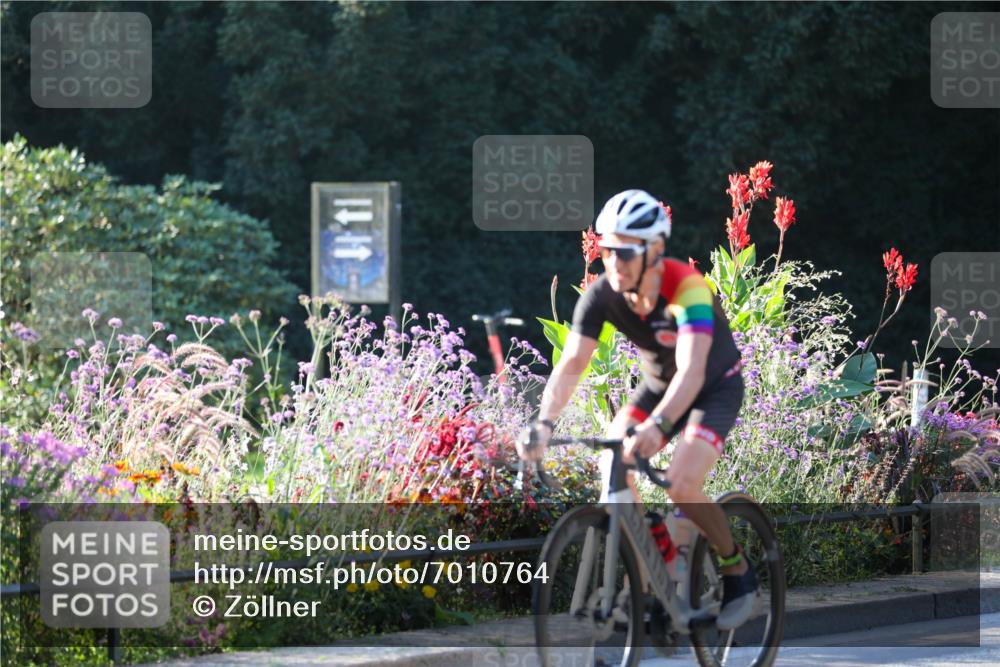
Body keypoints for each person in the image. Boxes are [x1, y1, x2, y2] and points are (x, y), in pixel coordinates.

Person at [516, 189, 759, 630]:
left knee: (682, 482)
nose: (614, 262)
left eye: (625, 252)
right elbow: (572, 363)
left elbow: (692, 370)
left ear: (655, 250)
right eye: (607, 251)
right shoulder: (603, 294)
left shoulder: (688, 288)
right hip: (657, 386)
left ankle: (736, 568)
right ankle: (658, 559)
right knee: (613, 460)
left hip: (712, 388)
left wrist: (661, 426)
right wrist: (543, 423)